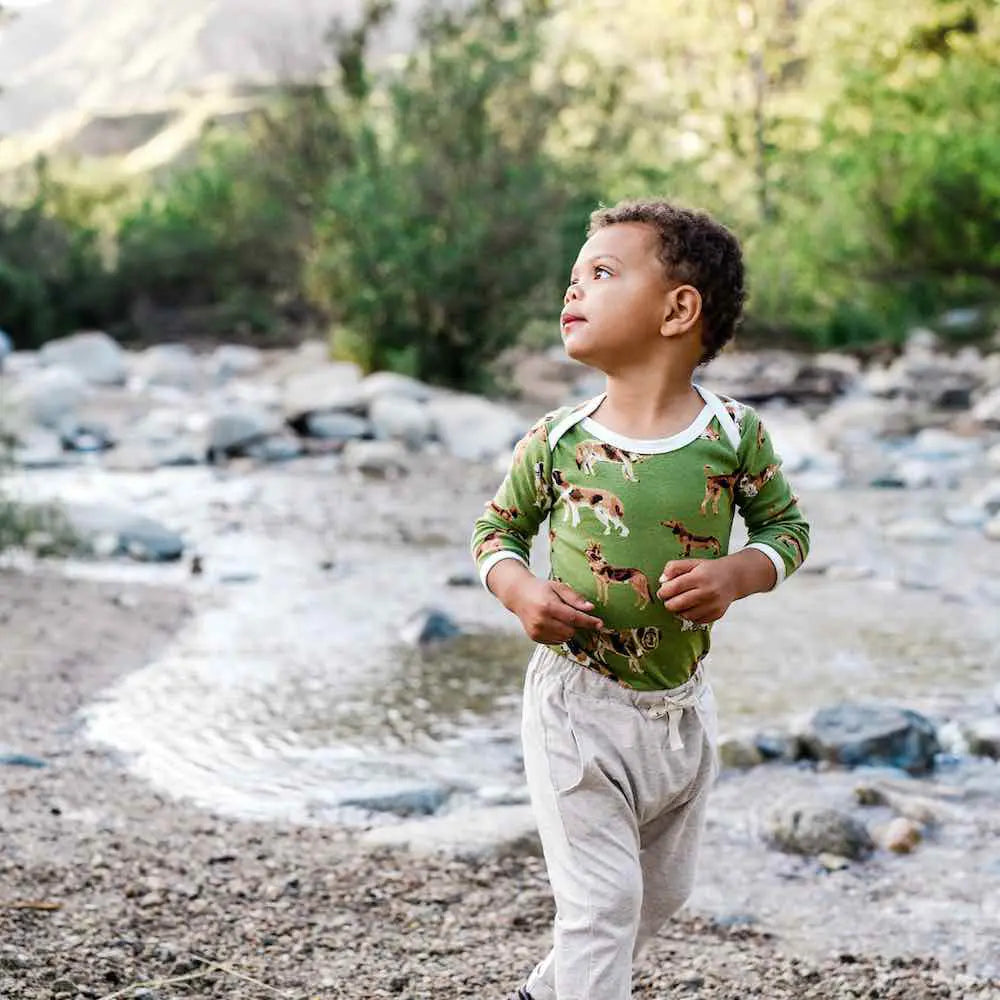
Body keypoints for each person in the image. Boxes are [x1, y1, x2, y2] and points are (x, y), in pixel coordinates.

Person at [470, 198, 811, 1000]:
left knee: (659, 897)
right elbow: (495, 535)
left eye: (601, 273)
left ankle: (544, 993)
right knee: (603, 904)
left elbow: (787, 530)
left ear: (678, 308)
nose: (572, 292)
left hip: (682, 711)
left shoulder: (733, 435)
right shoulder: (558, 439)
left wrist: (738, 573)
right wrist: (520, 593)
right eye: (573, 277)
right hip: (575, 705)